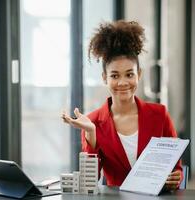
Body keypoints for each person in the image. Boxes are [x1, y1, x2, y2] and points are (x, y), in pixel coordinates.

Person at [62, 20, 182, 191]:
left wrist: (175, 178)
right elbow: (91, 181)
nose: (123, 82)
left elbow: (175, 167)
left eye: (129, 74)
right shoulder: (92, 122)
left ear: (139, 75)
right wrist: (91, 132)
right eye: (115, 76)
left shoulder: (160, 114)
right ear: (105, 78)